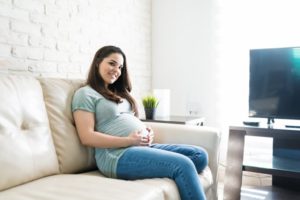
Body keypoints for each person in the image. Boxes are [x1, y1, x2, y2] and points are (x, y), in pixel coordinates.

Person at [71, 45, 208, 200]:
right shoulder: (85, 94)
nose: (116, 70)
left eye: (120, 67)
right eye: (112, 63)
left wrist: (146, 131)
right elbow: (86, 136)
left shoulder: (117, 93)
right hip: (117, 156)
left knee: (199, 155)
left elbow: (126, 120)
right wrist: (129, 140)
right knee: (183, 165)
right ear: (97, 62)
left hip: (138, 146)